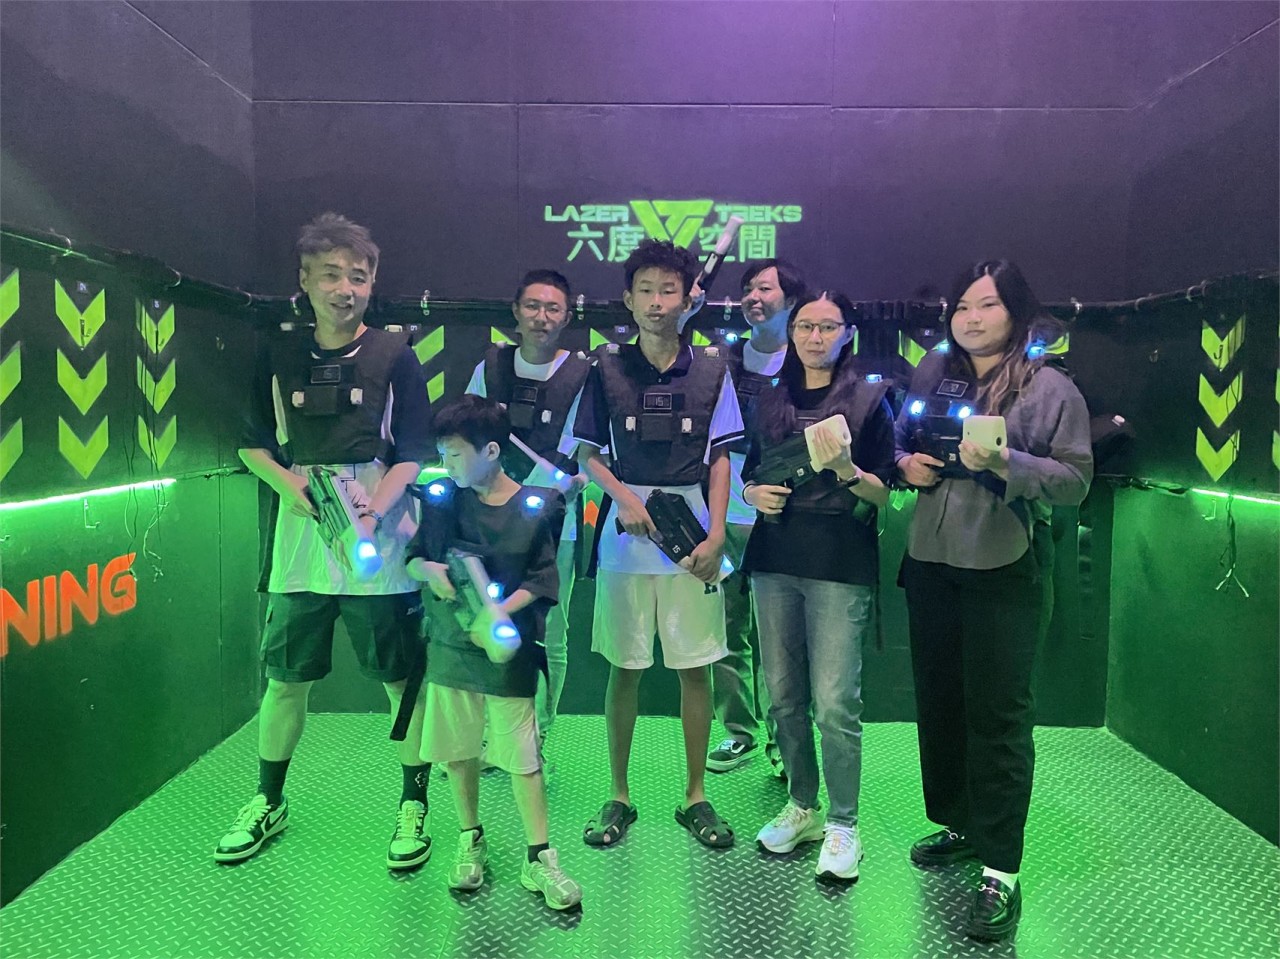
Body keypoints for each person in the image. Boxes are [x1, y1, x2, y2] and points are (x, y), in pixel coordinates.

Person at [216, 213, 434, 870]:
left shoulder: (397, 354)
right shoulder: (277, 354)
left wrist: (371, 512)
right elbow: (251, 444)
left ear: (373, 283)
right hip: (301, 545)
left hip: (379, 546)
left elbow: (413, 452)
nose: (346, 288)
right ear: (305, 280)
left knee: (400, 680)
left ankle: (414, 803)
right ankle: (268, 799)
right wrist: (291, 485)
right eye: (332, 275)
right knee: (285, 681)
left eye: (358, 277)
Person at [895, 260, 1092, 940]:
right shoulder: (932, 372)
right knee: (941, 704)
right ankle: (963, 824)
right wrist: (905, 465)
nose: (971, 318)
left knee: (999, 718)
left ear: (1016, 312)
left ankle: (1002, 869)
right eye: (961, 307)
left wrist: (1007, 463)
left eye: (986, 305)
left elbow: (1075, 481)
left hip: (1003, 567)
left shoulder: (1049, 387)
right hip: (930, 561)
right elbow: (902, 441)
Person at [573, 239, 744, 850]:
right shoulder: (605, 366)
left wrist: (717, 534)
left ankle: (695, 795)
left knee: (696, 668)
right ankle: (618, 794)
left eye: (667, 290)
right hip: (626, 536)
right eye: (644, 290)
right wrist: (624, 498)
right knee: (625, 668)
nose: (655, 301)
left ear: (687, 298)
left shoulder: (713, 368)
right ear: (628, 298)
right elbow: (587, 454)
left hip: (692, 531)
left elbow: (720, 459)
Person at [407, 394, 583, 911]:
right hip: (450, 646)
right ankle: (470, 838)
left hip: (508, 652)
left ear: (490, 451)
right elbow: (415, 558)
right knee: (458, 750)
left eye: (456, 453)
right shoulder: (442, 500)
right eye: (443, 453)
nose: (447, 464)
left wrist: (501, 610)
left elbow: (543, 579)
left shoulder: (536, 506)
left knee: (522, 755)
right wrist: (430, 572)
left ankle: (539, 856)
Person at [742, 291, 895, 882]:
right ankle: (802, 805)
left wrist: (846, 471)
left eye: (827, 327)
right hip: (774, 559)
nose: (814, 336)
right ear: (792, 331)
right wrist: (752, 494)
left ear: (847, 333)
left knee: (834, 703)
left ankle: (844, 824)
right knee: (782, 696)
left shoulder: (870, 400)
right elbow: (749, 472)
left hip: (840, 563)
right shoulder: (769, 398)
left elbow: (885, 494)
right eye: (805, 325)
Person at [464, 270, 591, 754]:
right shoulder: (490, 366)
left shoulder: (584, 373)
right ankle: (490, 732)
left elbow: (585, 452)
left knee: (550, 631)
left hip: (554, 526)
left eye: (553, 308)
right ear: (516, 312)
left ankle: (537, 735)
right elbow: (470, 434)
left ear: (567, 317)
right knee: (488, 618)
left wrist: (571, 483)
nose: (542, 317)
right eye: (533, 306)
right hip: (490, 521)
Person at [707, 259, 807, 778]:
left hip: (784, 515)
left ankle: (783, 741)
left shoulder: (807, 360)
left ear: (791, 300)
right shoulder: (721, 360)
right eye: (747, 289)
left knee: (780, 636)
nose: (753, 297)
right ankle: (739, 732)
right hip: (724, 513)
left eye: (765, 288)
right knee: (726, 629)